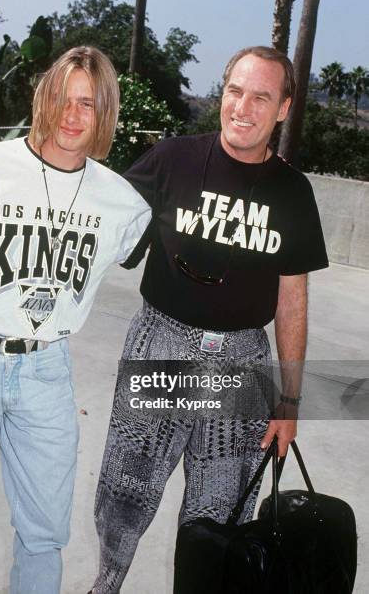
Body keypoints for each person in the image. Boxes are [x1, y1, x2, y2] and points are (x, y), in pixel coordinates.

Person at [0, 46, 150, 594]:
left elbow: (175, 269)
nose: (72, 115)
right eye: (62, 99)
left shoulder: (120, 203)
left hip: (46, 375)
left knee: (44, 532)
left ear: (104, 112)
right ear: (43, 100)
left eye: (86, 104)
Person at [89, 46, 328, 593]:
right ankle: (104, 585)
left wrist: (289, 401)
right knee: (124, 495)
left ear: (284, 108)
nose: (243, 107)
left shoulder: (293, 193)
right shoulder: (170, 158)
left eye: (261, 97)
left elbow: (293, 299)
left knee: (219, 515)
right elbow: (99, 221)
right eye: (234, 91)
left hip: (242, 362)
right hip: (162, 345)